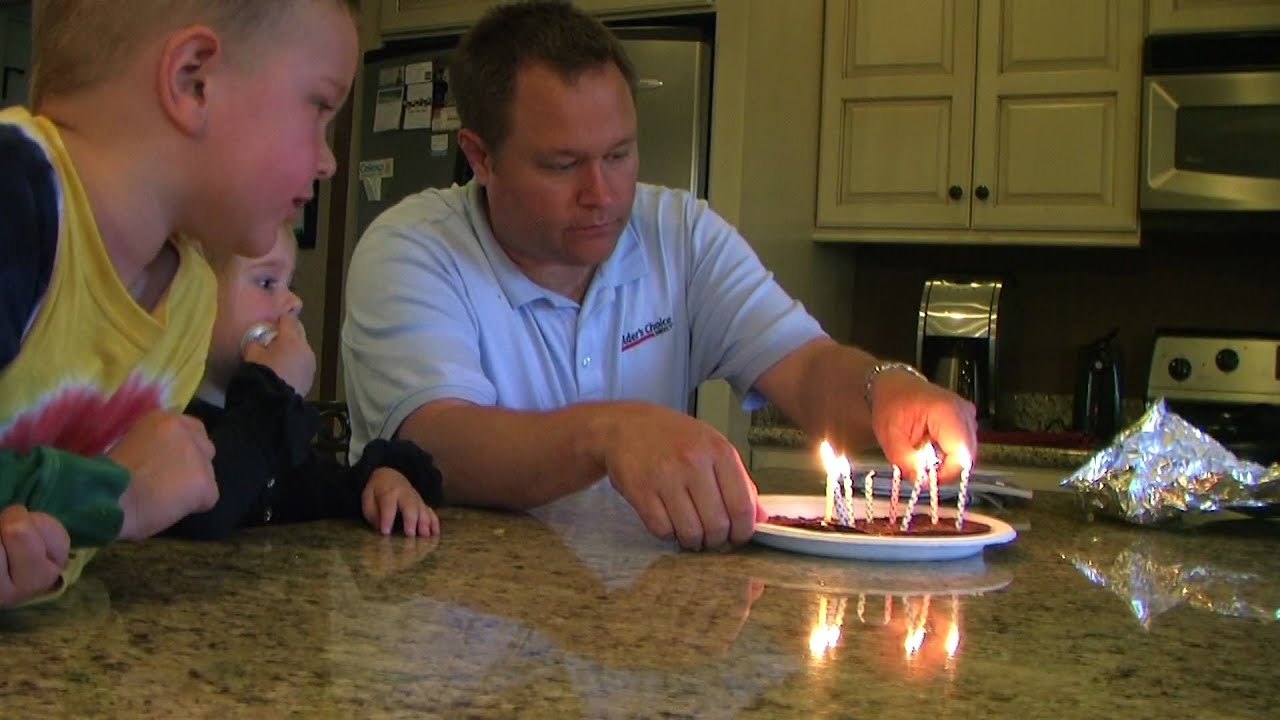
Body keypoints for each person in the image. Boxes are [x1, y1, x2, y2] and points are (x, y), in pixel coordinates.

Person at [342, 0, 977, 551]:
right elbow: (437, 445)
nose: (603, 193)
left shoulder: (679, 233)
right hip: (459, 636)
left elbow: (807, 370)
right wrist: (607, 433)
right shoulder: (411, 250)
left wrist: (886, 388)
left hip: (639, 623)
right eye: (563, 164)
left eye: (619, 155)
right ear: (481, 156)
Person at [0, 0, 360, 608]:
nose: (328, 160)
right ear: (193, 80)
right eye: (319, 107)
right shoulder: (17, 193)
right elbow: (122, 497)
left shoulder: (190, 298)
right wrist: (120, 496)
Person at [167, 225, 442, 540]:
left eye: (290, 283)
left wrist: (384, 478)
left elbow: (325, 490)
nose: (294, 301)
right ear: (186, 299)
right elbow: (203, 509)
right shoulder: (166, 423)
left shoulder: (275, 426)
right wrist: (273, 387)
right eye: (267, 282)